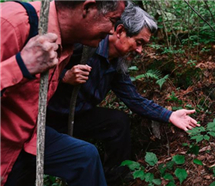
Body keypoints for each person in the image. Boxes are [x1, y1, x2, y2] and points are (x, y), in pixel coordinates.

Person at [46, 4, 199, 185]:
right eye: (138, 42)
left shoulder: (116, 64)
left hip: (79, 117)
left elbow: (133, 99)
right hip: (49, 119)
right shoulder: (84, 46)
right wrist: (64, 76)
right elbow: (39, 74)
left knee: (117, 122)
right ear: (120, 31)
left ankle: (114, 179)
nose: (140, 50)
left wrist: (170, 115)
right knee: (85, 153)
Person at [0, 1, 126, 185]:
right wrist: (21, 65)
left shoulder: (65, 44)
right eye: (112, 20)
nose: (112, 31)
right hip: (5, 142)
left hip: (26, 137)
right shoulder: (13, 22)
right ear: (88, 8)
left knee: (85, 157)